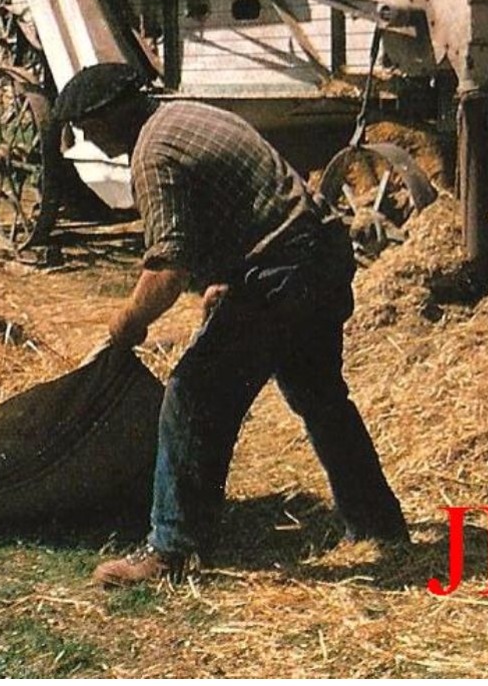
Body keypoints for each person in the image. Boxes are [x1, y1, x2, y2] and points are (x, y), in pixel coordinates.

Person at [54, 63, 408, 586]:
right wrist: (224, 278)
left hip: (284, 271)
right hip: (319, 253)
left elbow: (167, 270)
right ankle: (379, 524)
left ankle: (170, 549)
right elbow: (238, 199)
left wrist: (124, 324)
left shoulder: (152, 152)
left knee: (193, 394)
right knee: (320, 397)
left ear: (110, 114)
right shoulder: (183, 116)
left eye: (86, 125)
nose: (85, 137)